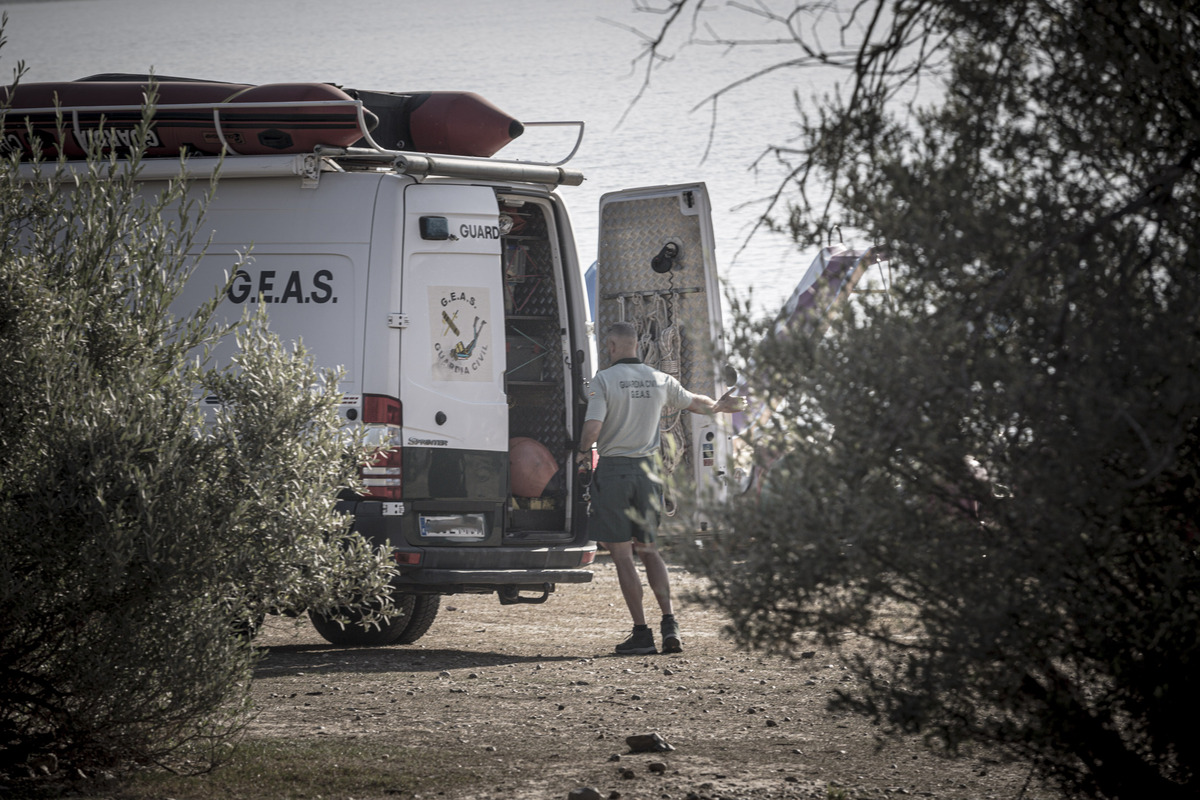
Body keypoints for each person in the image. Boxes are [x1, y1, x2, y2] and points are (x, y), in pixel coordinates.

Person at [576, 321, 745, 655]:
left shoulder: (603, 381)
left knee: (623, 555)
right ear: (636, 345)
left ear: (610, 346)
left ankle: (641, 633)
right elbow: (698, 403)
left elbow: (593, 429)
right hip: (648, 473)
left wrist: (581, 452)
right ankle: (671, 625)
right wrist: (721, 406)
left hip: (615, 473)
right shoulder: (659, 379)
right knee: (650, 549)